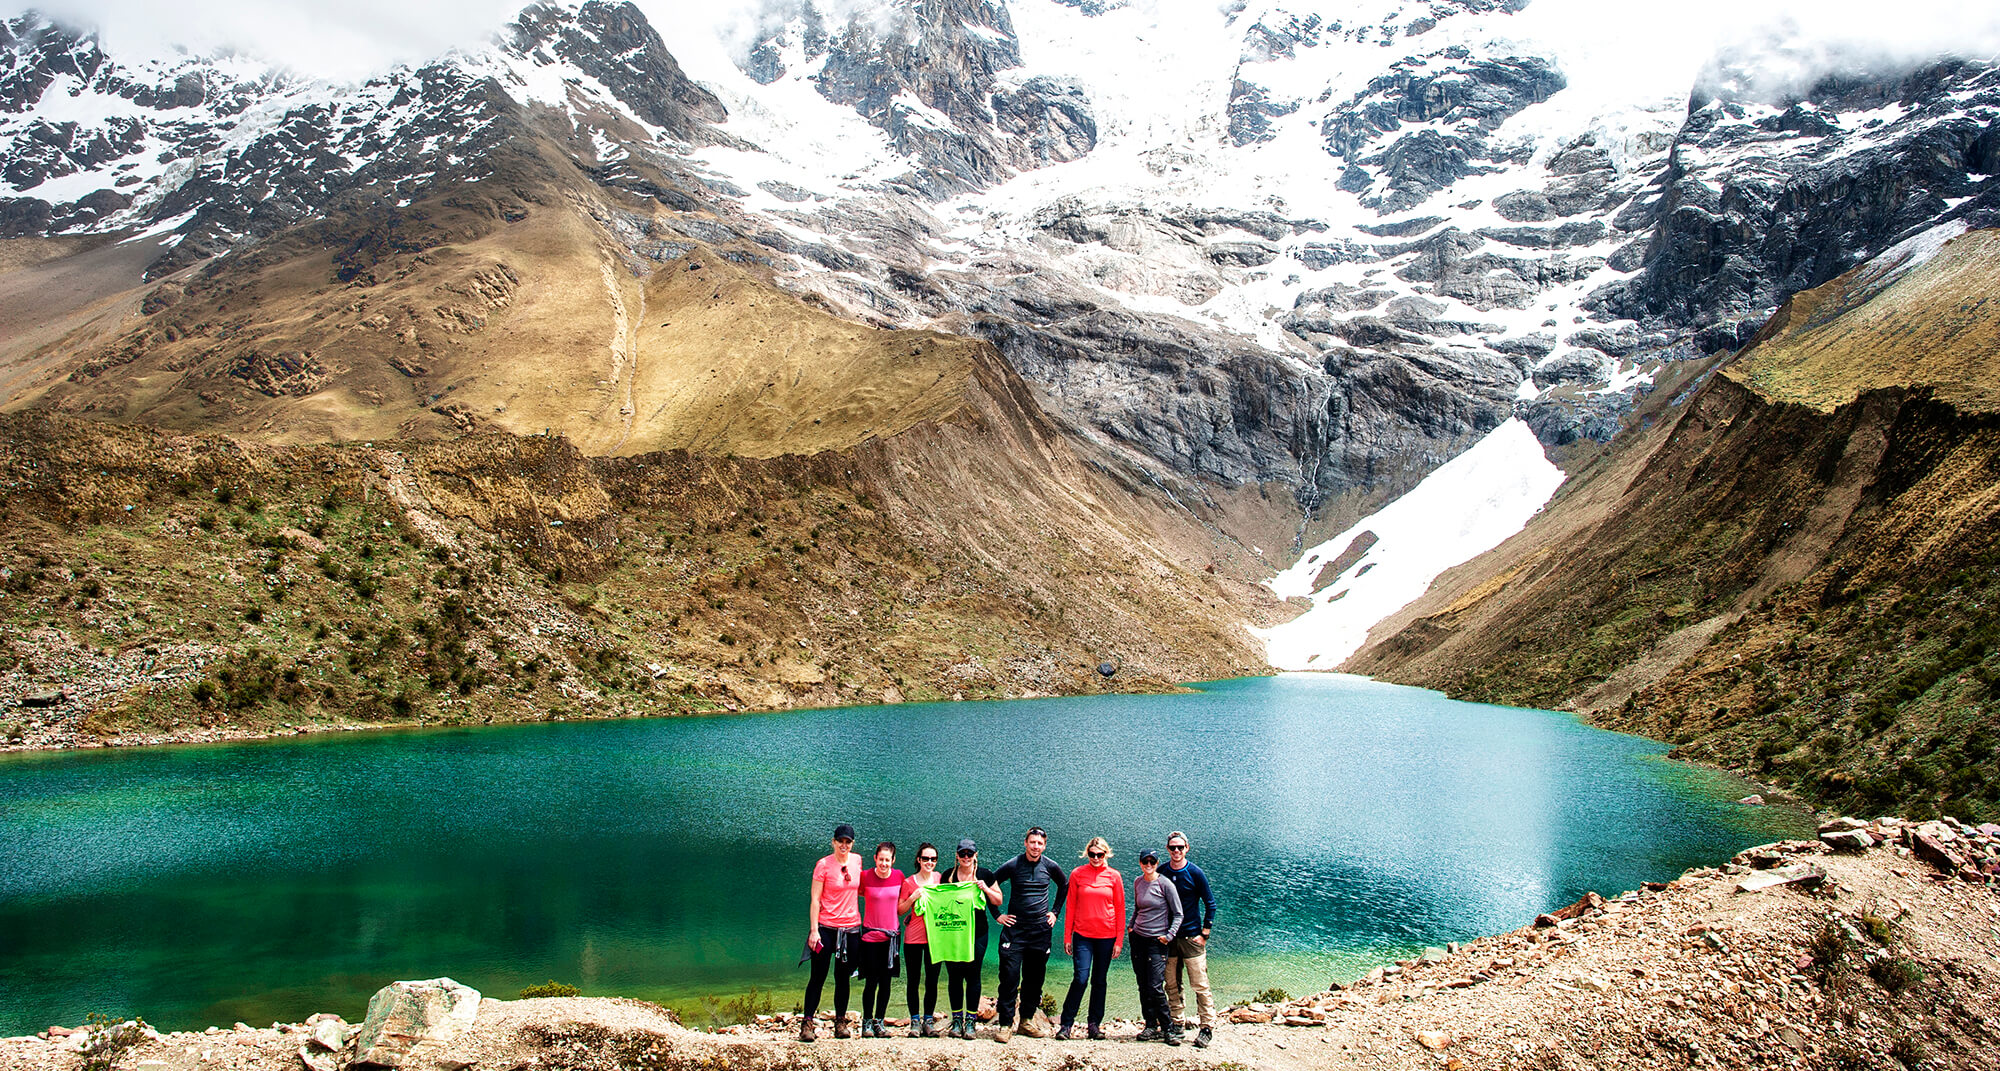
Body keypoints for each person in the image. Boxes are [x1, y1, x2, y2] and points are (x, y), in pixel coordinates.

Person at [915, 838, 1002, 1039]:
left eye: (969, 854)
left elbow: (998, 899)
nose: (965, 858)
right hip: (952, 932)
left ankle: (970, 1022)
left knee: (973, 974)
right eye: (962, 854)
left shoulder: (984, 874)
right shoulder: (947, 876)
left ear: (975, 855)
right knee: (954, 975)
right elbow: (936, 899)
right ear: (956, 855)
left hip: (977, 933)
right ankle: (956, 1021)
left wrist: (985, 889)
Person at [990, 826, 1068, 1042]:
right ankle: (1005, 1024)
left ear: (1045, 845)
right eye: (1032, 842)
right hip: (1015, 930)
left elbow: (1064, 885)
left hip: (1040, 931)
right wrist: (997, 914)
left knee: (1034, 979)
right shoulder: (1013, 865)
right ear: (1025, 843)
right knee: (1009, 977)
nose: (1036, 846)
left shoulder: (1050, 866)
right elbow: (990, 883)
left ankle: (1026, 1021)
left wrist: (1055, 912)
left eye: (1040, 843)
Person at [1057, 836, 1123, 1041]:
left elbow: (1120, 909)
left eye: (1100, 855)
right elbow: (1071, 906)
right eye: (1092, 854)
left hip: (1107, 935)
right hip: (1082, 935)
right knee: (1080, 978)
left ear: (1106, 854)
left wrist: (1119, 940)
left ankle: (1094, 1025)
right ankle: (1066, 1024)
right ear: (1087, 853)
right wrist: (1067, 936)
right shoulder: (1077, 874)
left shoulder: (1114, 876)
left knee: (1099, 980)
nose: (1095, 858)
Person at [802, 823, 863, 1042]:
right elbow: (815, 900)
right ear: (833, 842)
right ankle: (807, 1023)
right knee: (817, 977)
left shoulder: (857, 861)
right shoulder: (823, 865)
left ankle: (840, 1022)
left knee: (843, 978)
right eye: (840, 841)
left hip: (851, 929)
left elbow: (864, 888)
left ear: (852, 843)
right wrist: (813, 930)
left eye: (848, 842)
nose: (844, 845)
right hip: (826, 928)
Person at [1161, 830, 1219, 1048]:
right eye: (1172, 847)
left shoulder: (1195, 873)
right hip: (1169, 938)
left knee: (1200, 984)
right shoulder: (1162, 871)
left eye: (1180, 847)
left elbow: (1210, 903)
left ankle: (1206, 1027)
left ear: (1187, 848)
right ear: (1168, 849)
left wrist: (1205, 933)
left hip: (1192, 937)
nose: (1176, 851)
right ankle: (1177, 1024)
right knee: (1172, 984)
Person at [1128, 848, 1185, 1044]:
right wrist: (1131, 926)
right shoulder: (1138, 882)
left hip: (1157, 942)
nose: (1149, 865)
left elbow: (1178, 914)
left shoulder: (1165, 884)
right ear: (1140, 863)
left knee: (1155, 986)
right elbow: (1137, 907)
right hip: (1138, 939)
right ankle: (1150, 1025)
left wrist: (1169, 936)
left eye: (1152, 861)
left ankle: (1168, 1028)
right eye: (1145, 861)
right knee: (1143, 985)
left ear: (1157, 862)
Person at [855, 841, 904, 1037]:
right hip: (870, 937)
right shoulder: (865, 876)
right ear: (875, 858)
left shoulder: (899, 876)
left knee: (886, 982)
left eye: (887, 860)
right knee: (871, 982)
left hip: (891, 938)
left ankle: (879, 1021)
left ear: (893, 860)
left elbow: (903, 900)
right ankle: (866, 1022)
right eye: (880, 859)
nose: (884, 863)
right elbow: (856, 892)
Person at [897, 843, 945, 1036]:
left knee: (932, 981)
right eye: (926, 859)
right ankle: (914, 1021)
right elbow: (900, 910)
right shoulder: (909, 883)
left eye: (933, 859)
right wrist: (912, 899)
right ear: (919, 860)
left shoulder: (940, 879)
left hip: (935, 938)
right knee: (913, 980)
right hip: (913, 938)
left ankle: (928, 1020)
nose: (930, 862)